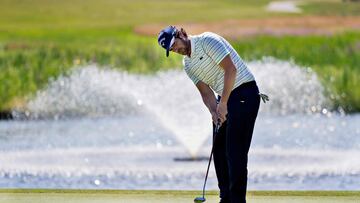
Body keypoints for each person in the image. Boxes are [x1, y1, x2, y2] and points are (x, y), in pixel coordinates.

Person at [157, 26, 268, 203]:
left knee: (235, 152)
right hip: (224, 98)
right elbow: (205, 92)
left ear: (182, 34)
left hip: (244, 93)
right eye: (171, 49)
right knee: (219, 151)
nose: (176, 50)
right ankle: (226, 197)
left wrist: (223, 104)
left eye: (175, 44)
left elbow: (231, 70)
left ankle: (237, 200)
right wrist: (214, 111)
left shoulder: (207, 40)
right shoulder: (188, 65)